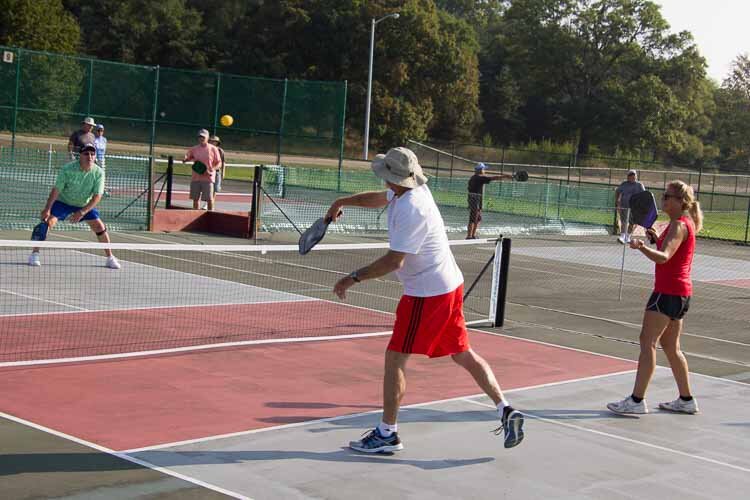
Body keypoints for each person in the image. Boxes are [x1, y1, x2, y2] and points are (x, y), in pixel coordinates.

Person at [327, 147, 525, 453]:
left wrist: (352, 277)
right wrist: (341, 201)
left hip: (427, 294)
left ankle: (387, 433)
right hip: (449, 285)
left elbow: (394, 262)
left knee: (395, 358)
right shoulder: (409, 189)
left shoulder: (411, 210)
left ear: (393, 177)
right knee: (462, 353)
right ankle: (506, 408)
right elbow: (379, 198)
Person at [607, 180, 703, 416]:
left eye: (668, 196)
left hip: (667, 292)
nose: (663, 199)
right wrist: (652, 237)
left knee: (647, 342)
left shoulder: (679, 226)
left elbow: (664, 257)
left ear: (680, 202)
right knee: (671, 347)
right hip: (681, 294)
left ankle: (637, 400)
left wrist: (640, 247)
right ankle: (686, 399)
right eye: (663, 195)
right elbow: (667, 249)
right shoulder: (681, 224)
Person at [29, 143, 120, 269]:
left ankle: (110, 257)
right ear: (80, 156)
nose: (89, 156)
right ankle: (35, 254)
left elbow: (97, 196)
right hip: (63, 202)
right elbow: (56, 190)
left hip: (83, 204)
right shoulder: (67, 169)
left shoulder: (99, 172)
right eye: (86, 154)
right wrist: (47, 209)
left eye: (92, 154)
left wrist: (82, 212)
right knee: (48, 222)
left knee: (100, 226)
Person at [466, 163, 513, 239]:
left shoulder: (474, 177)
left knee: (477, 218)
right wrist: (506, 176)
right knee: (473, 218)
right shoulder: (479, 178)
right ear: (480, 170)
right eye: (484, 169)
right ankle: (469, 236)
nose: (484, 170)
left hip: (477, 200)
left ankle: (473, 235)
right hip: (475, 200)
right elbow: (493, 178)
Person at [183, 129, 221, 210]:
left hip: (208, 178)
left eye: (203, 137)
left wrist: (212, 169)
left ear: (207, 138)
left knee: (209, 199)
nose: (201, 138)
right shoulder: (194, 149)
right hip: (196, 178)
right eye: (200, 136)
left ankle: (211, 215)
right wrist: (185, 159)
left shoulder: (213, 149)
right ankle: (195, 215)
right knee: (195, 199)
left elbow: (219, 163)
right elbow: (188, 157)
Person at [615, 169, 646, 244]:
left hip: (635, 208)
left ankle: (628, 237)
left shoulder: (639, 185)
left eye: (633, 175)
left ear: (636, 176)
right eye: (630, 175)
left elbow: (644, 196)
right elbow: (617, 191)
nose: (632, 177)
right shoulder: (624, 184)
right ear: (628, 176)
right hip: (624, 206)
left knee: (632, 223)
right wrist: (617, 203)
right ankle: (622, 237)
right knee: (624, 221)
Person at [208, 135, 225, 208]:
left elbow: (223, 162)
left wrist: (223, 172)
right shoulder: (207, 149)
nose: (213, 142)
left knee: (215, 189)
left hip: (217, 172)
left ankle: (212, 204)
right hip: (209, 172)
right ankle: (208, 203)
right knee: (209, 188)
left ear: (217, 143)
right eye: (211, 141)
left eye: (214, 141)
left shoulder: (220, 151)